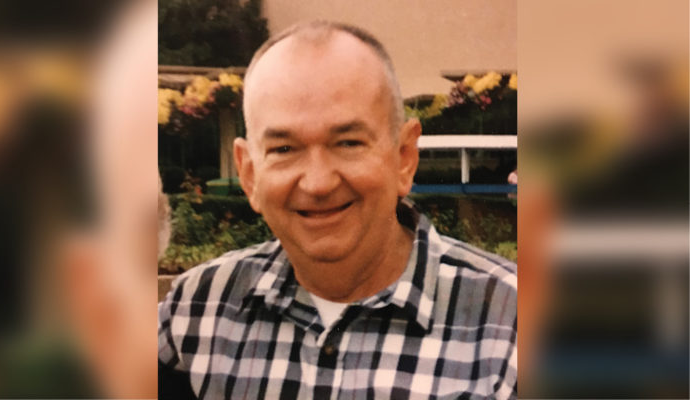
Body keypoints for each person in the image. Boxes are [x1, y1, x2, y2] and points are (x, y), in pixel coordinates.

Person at [159, 21, 517, 399]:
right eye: (284, 149)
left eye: (348, 143)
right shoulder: (196, 313)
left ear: (404, 158)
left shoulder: (513, 327)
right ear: (249, 174)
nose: (318, 183)